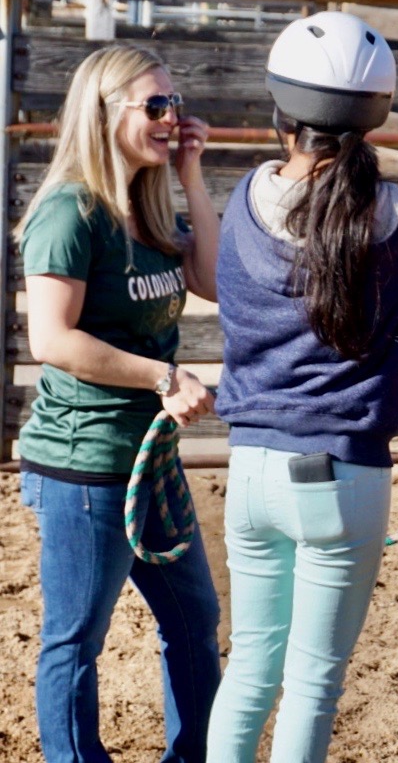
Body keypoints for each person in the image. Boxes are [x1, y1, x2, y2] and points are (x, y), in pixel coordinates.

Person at [206, 11, 398, 763]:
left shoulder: (247, 199)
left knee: (249, 665)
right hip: (343, 477)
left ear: (282, 110)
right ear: (373, 118)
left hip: (248, 470)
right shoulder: (395, 216)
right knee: (313, 683)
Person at [15, 43, 222, 762]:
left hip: (147, 459)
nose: (173, 117)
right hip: (84, 464)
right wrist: (162, 378)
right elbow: (52, 338)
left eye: (176, 103)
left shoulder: (147, 208)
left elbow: (215, 280)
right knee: (76, 638)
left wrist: (190, 175)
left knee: (195, 619)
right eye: (156, 106)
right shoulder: (71, 212)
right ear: (105, 114)